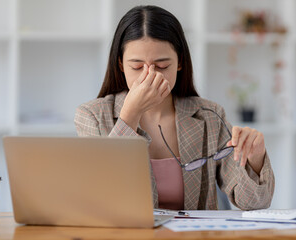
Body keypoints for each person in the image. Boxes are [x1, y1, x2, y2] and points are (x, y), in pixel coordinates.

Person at [74, 5, 274, 211]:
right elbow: (100, 198)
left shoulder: (209, 117)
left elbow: (255, 204)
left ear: (179, 62)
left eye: (162, 66)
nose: (150, 75)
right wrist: (130, 116)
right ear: (120, 65)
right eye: (136, 66)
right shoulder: (93, 116)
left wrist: (255, 158)